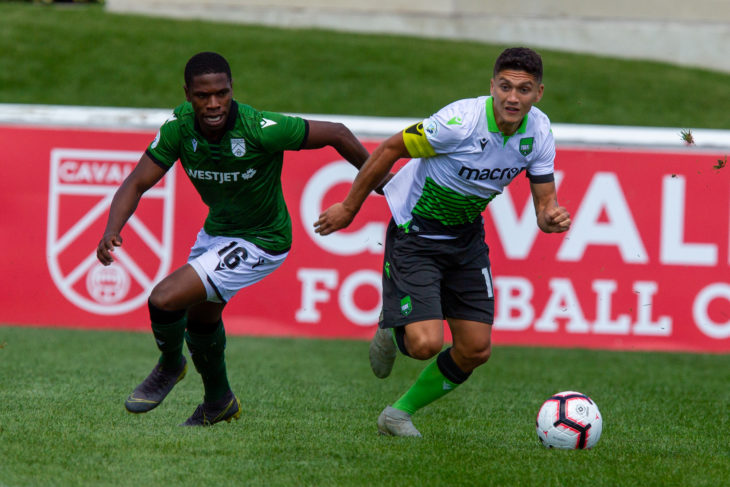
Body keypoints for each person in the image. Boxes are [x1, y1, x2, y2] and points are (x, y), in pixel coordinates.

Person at [97, 51, 374, 426]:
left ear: (231, 90)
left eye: (221, 93)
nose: (213, 104)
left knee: (164, 299)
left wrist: (379, 184)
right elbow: (136, 182)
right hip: (217, 235)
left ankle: (169, 364)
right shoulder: (179, 127)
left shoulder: (261, 127)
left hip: (262, 240)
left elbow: (338, 134)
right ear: (188, 93)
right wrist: (112, 228)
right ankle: (219, 403)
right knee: (200, 320)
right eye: (202, 95)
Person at [314, 47, 571, 437]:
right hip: (415, 234)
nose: (513, 97)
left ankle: (397, 414)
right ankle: (392, 322)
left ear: (539, 93)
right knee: (424, 345)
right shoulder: (458, 123)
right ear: (492, 86)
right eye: (505, 86)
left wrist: (549, 217)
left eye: (524, 89)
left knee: (475, 350)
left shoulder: (539, 132)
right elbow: (389, 149)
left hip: (466, 239)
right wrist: (350, 207)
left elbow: (544, 203)